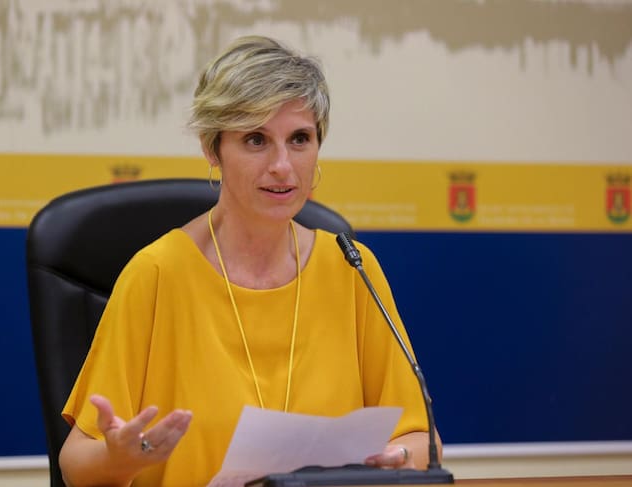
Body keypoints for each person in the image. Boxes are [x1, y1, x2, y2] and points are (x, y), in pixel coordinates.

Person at [59, 35, 442, 487]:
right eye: (256, 139)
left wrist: (395, 457)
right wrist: (120, 458)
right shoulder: (156, 274)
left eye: (300, 139)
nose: (283, 165)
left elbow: (423, 440)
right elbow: (76, 462)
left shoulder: (351, 268)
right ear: (212, 148)